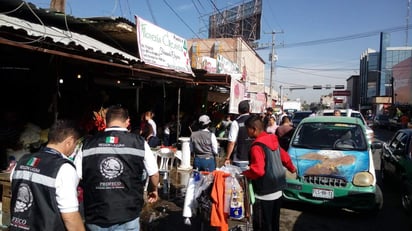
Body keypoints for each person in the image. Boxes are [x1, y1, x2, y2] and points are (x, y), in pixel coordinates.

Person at [81, 105, 159, 231]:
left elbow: (76, 177)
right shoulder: (139, 143)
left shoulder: (87, 144)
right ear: (128, 121)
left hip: (96, 215)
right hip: (127, 214)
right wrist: (153, 190)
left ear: (105, 121)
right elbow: (154, 174)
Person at [10, 119, 85, 231]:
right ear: (69, 141)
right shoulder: (64, 168)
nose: (75, 147)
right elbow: (70, 217)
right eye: (75, 143)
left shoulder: (22, 161)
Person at [243, 115, 296, 231]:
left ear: (254, 129)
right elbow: (285, 157)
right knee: (274, 224)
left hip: (264, 193)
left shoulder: (257, 146)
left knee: (263, 225)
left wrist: (246, 173)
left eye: (247, 129)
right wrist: (292, 169)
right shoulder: (272, 139)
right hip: (278, 191)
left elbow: (258, 171)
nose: (246, 132)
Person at [224, 100, 252, 168]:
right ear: (249, 110)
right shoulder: (256, 121)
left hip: (240, 159)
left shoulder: (236, 123)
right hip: (254, 158)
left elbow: (231, 142)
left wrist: (227, 158)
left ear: (238, 110)